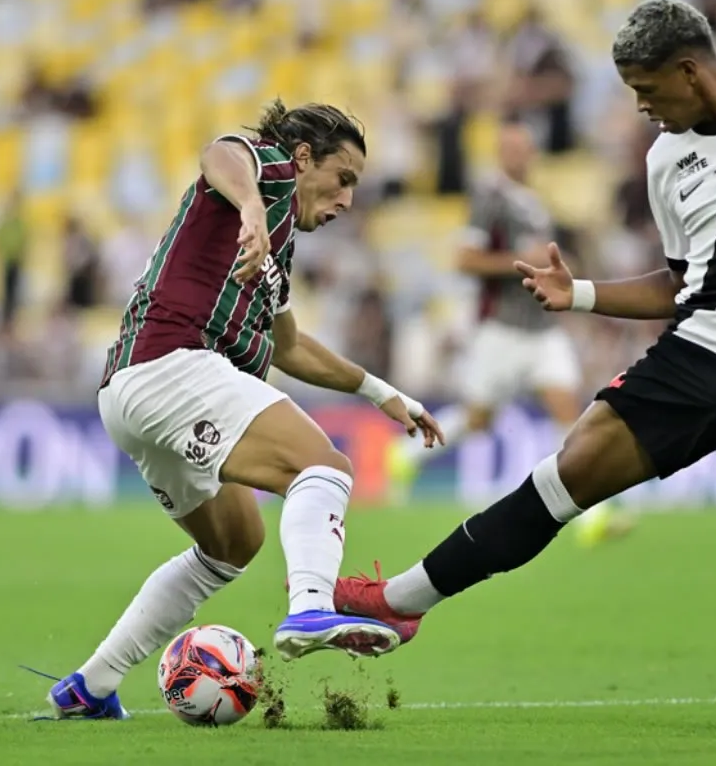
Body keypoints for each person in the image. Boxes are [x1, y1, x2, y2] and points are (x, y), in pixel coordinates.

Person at [331, 0, 716, 749]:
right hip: (697, 358)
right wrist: (581, 294)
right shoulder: (667, 161)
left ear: (689, 71)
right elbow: (681, 284)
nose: (640, 106)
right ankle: (402, 600)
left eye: (646, 88)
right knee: (562, 479)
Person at [43, 100, 445, 720]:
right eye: (343, 179)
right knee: (325, 469)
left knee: (233, 544)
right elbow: (220, 153)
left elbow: (291, 348)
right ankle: (310, 609)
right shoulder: (268, 174)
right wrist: (253, 205)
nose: (347, 201)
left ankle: (89, 688)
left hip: (132, 393)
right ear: (305, 158)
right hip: (173, 365)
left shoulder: (276, 252)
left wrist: (381, 392)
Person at [388, 120, 625, 534]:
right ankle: (406, 456)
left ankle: (591, 518)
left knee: (567, 410)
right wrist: (521, 262)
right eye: (511, 148)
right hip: (502, 328)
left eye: (525, 147)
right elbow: (465, 259)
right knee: (478, 419)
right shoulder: (490, 198)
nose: (520, 155)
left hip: (543, 330)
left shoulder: (534, 201)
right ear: (500, 153)